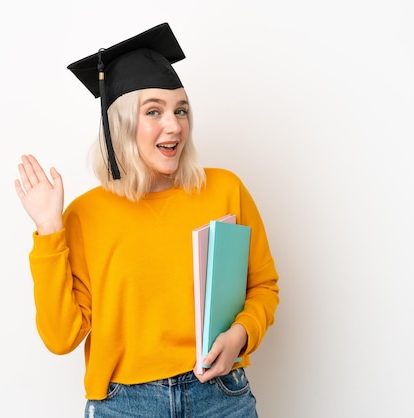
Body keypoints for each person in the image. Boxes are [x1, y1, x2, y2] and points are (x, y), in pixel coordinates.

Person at [14, 23, 279, 418]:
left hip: (220, 396)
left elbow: (263, 287)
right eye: (153, 111)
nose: (174, 125)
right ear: (119, 123)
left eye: (180, 110)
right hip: (125, 405)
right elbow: (61, 337)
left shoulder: (224, 189)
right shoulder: (85, 216)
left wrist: (241, 335)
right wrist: (50, 229)